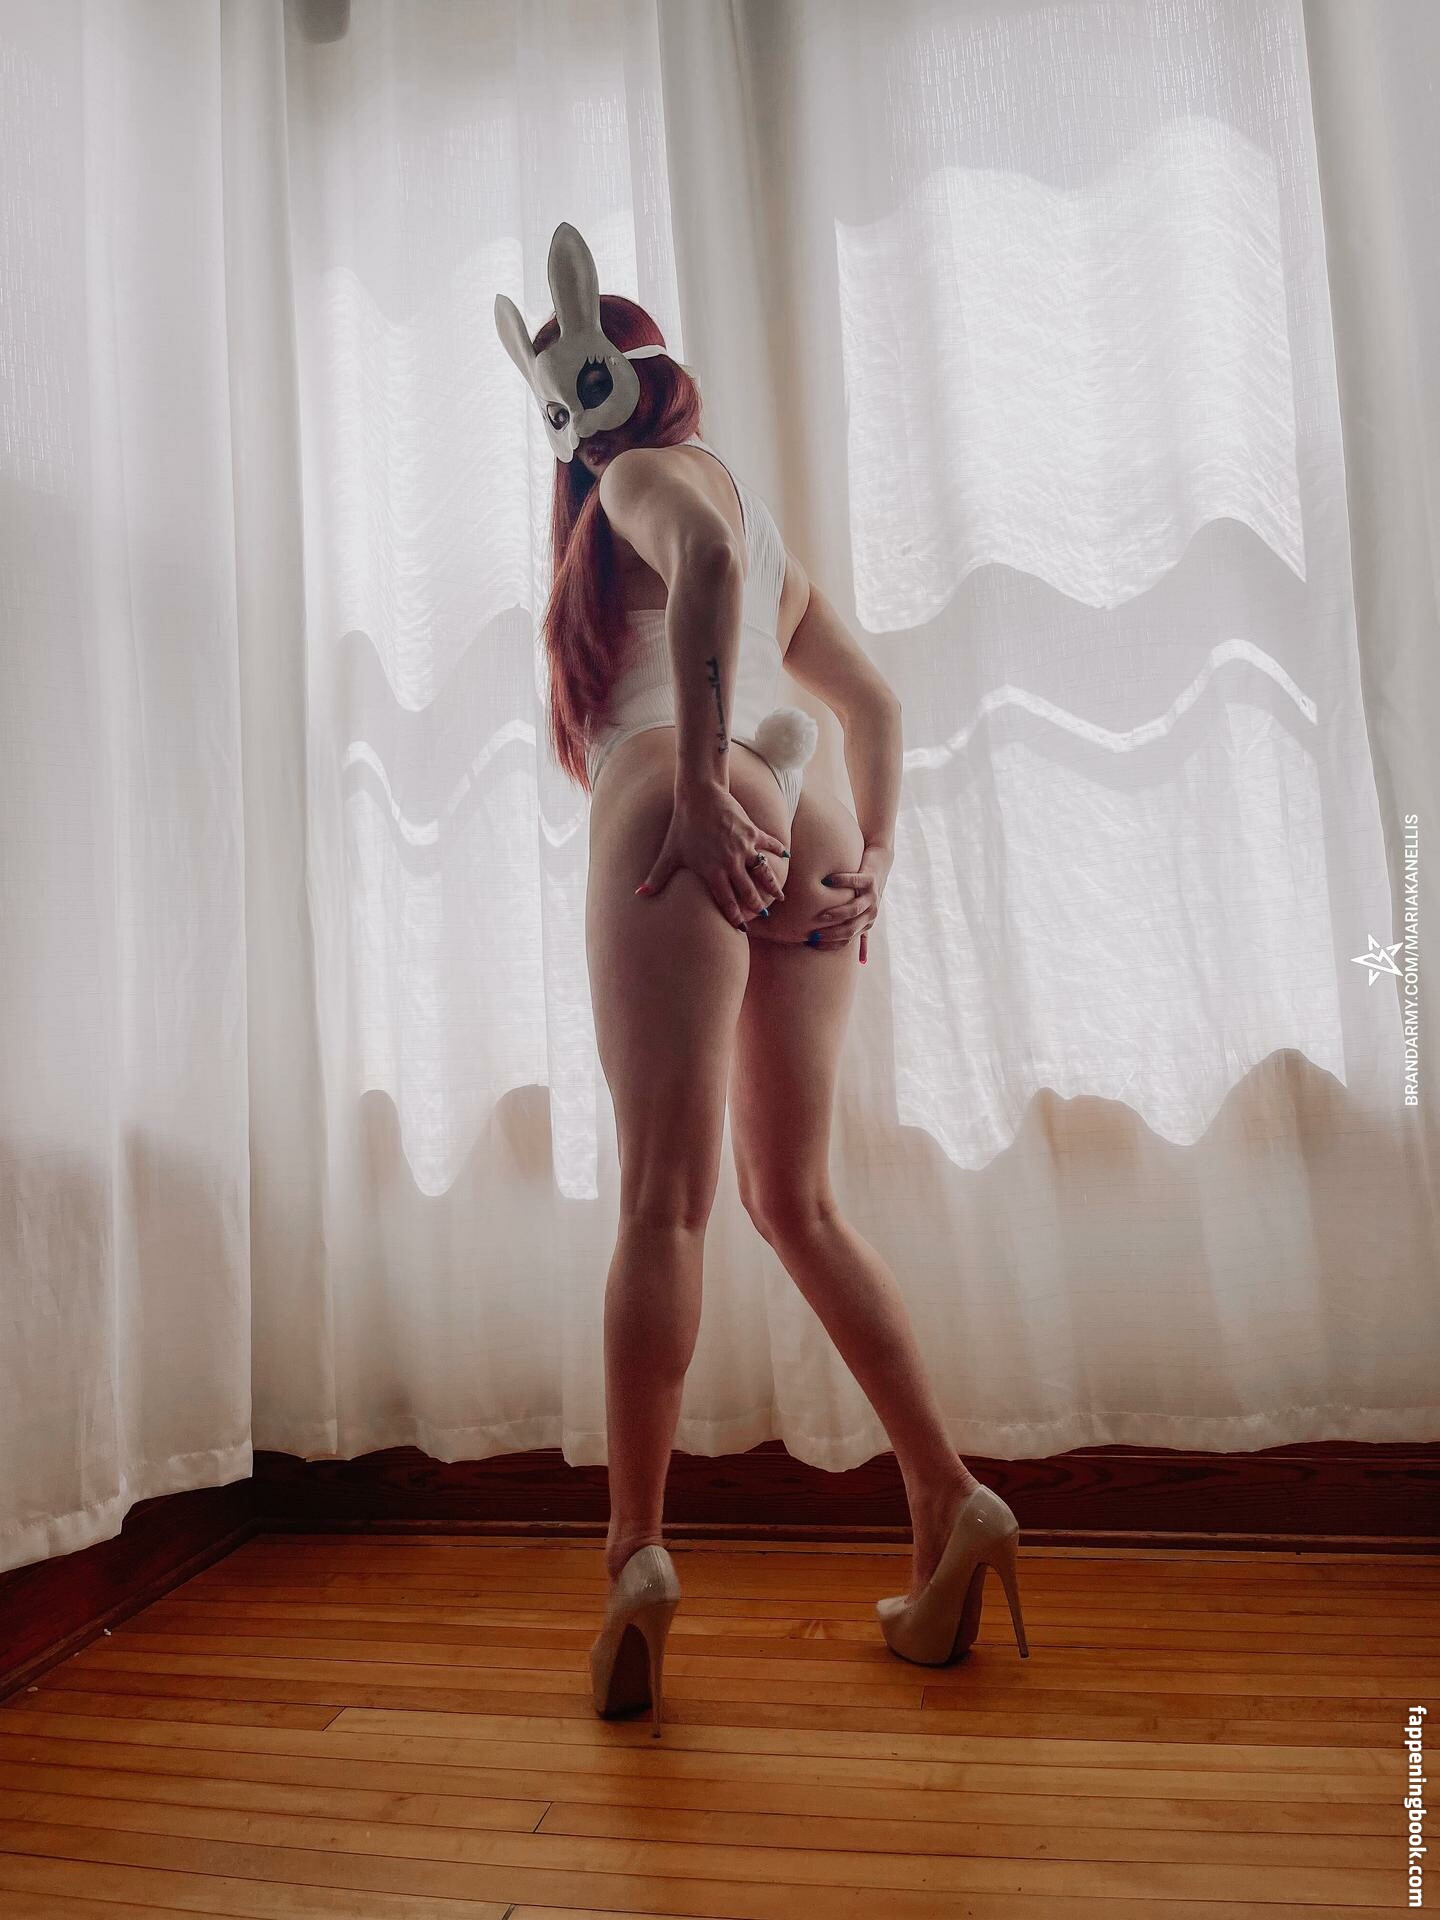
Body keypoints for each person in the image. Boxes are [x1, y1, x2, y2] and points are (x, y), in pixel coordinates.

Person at [496, 222, 1028, 1735]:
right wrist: (879, 851)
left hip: (694, 795)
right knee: (797, 1202)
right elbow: (871, 702)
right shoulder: (750, 506)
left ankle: (636, 1557)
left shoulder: (635, 483)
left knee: (662, 1205)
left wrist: (700, 778)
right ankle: (948, 1501)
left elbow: (708, 569)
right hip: (817, 824)